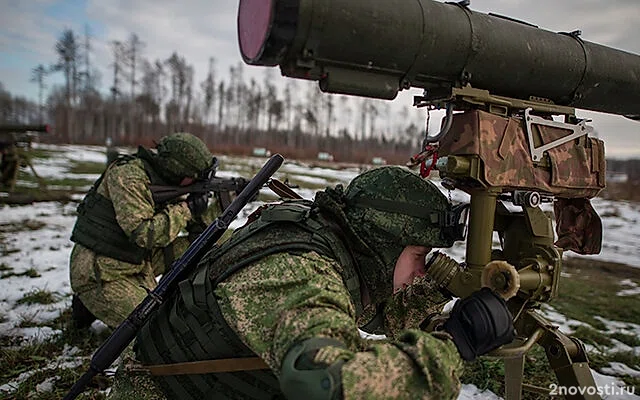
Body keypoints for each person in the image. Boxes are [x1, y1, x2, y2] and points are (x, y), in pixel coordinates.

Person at [108, 166, 514, 399]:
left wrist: (440, 290)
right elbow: (325, 385)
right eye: (419, 257)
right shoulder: (298, 269)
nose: (423, 270)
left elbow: (372, 312)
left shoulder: (331, 237)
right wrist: (452, 349)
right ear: (384, 244)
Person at [69, 132, 223, 329]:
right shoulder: (129, 177)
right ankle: (91, 299)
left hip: (137, 260)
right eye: (194, 178)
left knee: (211, 244)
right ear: (178, 171)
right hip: (102, 270)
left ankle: (98, 303)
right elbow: (143, 234)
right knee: (158, 328)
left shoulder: (168, 181)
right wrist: (186, 209)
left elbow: (199, 231)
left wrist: (221, 205)